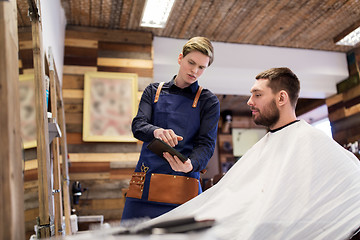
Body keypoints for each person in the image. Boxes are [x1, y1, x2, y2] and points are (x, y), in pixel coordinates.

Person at [141, 67, 360, 239]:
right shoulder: (266, 144)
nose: (249, 101)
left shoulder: (311, 140)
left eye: (257, 94)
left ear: (281, 98)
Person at [121, 37, 220, 221]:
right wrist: (156, 132)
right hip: (145, 184)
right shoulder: (153, 91)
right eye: (191, 63)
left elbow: (206, 145)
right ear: (180, 58)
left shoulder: (208, 101)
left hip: (185, 186)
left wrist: (190, 164)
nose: (195, 71)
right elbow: (138, 126)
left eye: (201, 67)